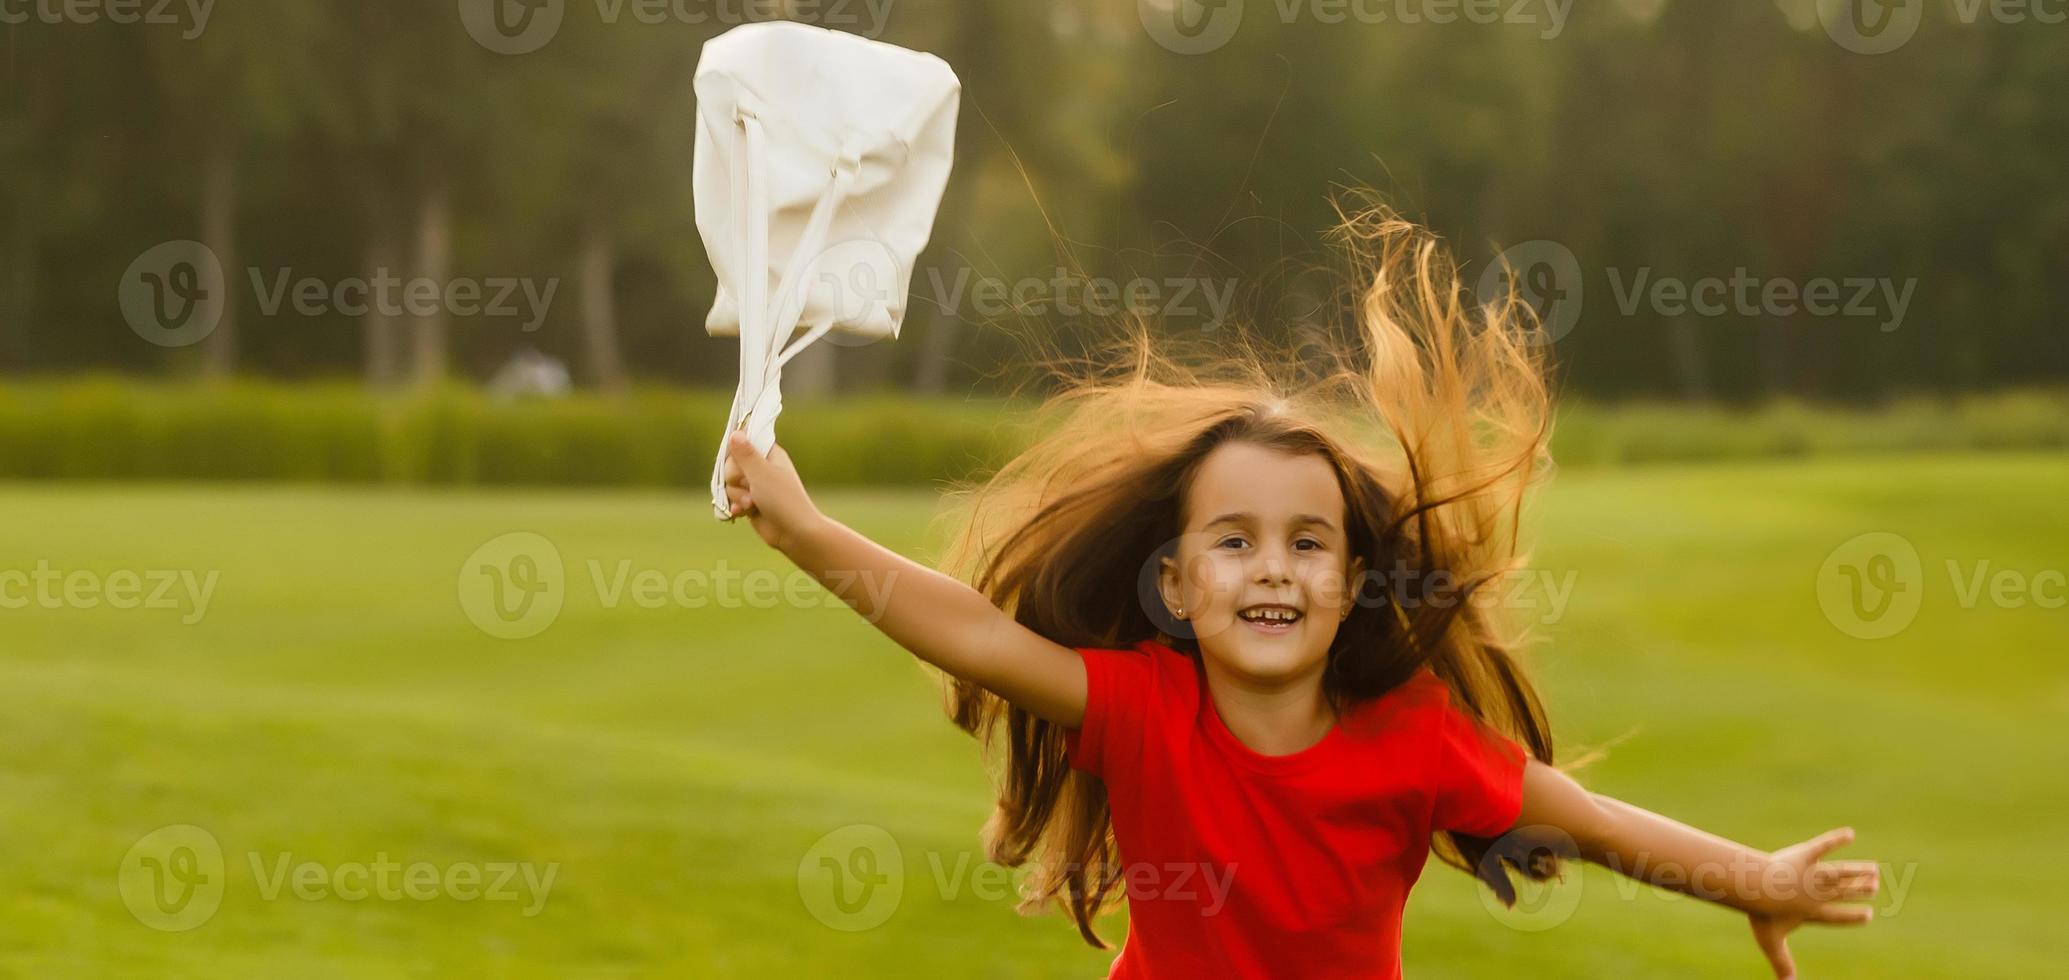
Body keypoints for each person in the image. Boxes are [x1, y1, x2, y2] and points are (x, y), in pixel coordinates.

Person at [718, 199, 1879, 979]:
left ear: (1351, 582)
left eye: (1307, 544)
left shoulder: (1417, 743)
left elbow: (1596, 824)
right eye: (1233, 541)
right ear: (1173, 581)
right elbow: (972, 630)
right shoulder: (1143, 707)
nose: (1272, 564)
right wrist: (804, 529)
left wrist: (1753, 881)